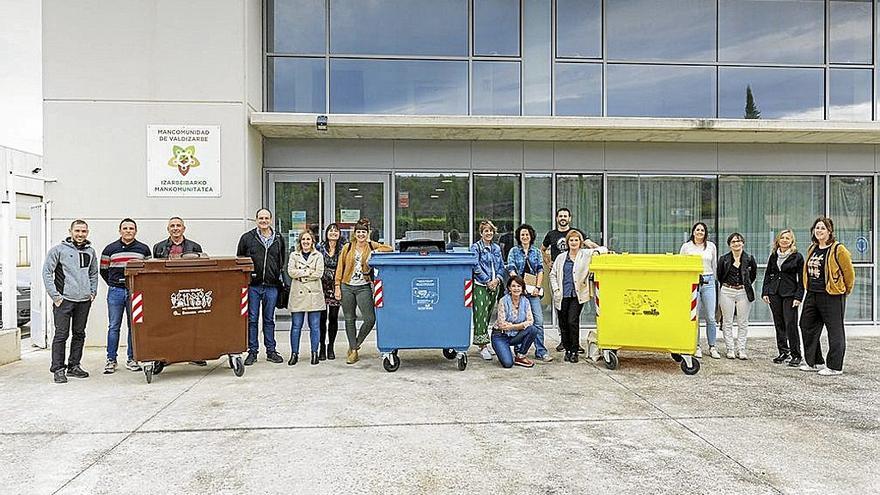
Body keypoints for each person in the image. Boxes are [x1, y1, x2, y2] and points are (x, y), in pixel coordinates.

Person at [43, 219, 99, 383]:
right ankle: (58, 369)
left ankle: (74, 366)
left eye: (83, 231)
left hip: (84, 301)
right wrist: (56, 296)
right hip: (64, 300)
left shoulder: (90, 251)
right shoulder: (58, 250)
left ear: (87, 233)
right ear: (70, 231)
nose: (80, 234)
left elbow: (93, 273)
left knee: (79, 334)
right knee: (61, 335)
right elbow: (47, 273)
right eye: (77, 231)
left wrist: (92, 292)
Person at [799, 217, 855, 376]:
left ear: (830, 231)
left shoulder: (838, 249)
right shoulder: (812, 248)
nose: (819, 231)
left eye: (823, 228)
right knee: (806, 325)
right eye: (817, 228)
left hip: (832, 295)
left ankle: (835, 367)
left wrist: (844, 290)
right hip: (812, 293)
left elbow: (849, 273)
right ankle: (815, 361)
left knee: (835, 330)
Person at [334, 220, 393, 365]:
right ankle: (353, 351)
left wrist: (375, 250)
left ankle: (355, 345)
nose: (361, 234)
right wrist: (337, 286)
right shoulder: (347, 247)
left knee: (369, 318)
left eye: (364, 232)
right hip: (346, 286)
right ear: (355, 234)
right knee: (349, 318)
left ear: (367, 234)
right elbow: (340, 268)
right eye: (359, 232)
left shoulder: (371, 245)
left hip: (363, 286)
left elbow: (389, 248)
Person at [153, 216, 207, 366]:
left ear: (184, 228)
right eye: (172, 226)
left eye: (178, 225)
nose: (175, 228)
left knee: (191, 323)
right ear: (168, 229)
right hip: (166, 291)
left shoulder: (195, 247)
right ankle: (167, 356)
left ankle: (194, 355)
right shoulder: (159, 247)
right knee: (168, 325)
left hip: (189, 291)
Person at [542, 207, 597, 353]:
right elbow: (543, 249)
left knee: (572, 319)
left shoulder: (576, 233)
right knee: (563, 317)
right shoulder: (551, 235)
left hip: (576, 282)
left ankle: (574, 346)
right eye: (560, 216)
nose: (563, 218)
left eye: (565, 216)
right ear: (556, 218)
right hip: (560, 277)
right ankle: (564, 343)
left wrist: (603, 250)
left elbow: (590, 245)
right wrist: (548, 262)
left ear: (569, 218)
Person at [100, 218, 151, 374]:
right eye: (125, 228)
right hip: (115, 292)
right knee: (114, 326)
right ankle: (111, 360)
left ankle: (132, 358)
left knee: (134, 326)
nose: (128, 231)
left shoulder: (144, 249)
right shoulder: (110, 249)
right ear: (120, 230)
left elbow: (148, 271)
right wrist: (114, 283)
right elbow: (103, 270)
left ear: (136, 231)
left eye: (131, 228)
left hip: (136, 293)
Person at [237, 208, 287, 366]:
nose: (263, 221)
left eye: (266, 218)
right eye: (260, 218)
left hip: (272, 286)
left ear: (271, 220)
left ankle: (271, 351)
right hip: (253, 286)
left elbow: (282, 261)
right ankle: (252, 352)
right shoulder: (247, 238)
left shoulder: (279, 238)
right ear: (256, 220)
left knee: (269, 320)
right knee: (252, 320)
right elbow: (240, 260)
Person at [550, 230, 602, 363]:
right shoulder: (561, 257)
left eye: (576, 240)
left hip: (577, 295)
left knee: (572, 321)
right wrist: (556, 290)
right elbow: (553, 274)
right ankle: (567, 350)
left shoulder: (585, 255)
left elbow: (604, 249)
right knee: (563, 324)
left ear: (580, 242)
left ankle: (574, 351)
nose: (573, 243)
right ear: (567, 242)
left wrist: (593, 247)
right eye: (571, 240)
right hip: (562, 295)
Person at [507, 223, 552, 362]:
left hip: (533, 292)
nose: (525, 237)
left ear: (531, 236)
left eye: (527, 234)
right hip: (517, 292)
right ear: (519, 237)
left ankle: (541, 351)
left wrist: (537, 288)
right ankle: (520, 350)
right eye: (522, 235)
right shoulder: (514, 251)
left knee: (537, 321)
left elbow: (540, 270)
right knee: (520, 321)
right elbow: (511, 268)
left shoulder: (536, 252)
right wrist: (519, 286)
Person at [762, 229, 805, 367]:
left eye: (788, 238)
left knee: (791, 324)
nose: (785, 240)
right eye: (782, 238)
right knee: (779, 323)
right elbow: (768, 274)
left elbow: (802, 279)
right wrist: (765, 292)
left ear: (792, 241)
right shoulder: (774, 255)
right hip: (774, 293)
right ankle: (783, 351)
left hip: (790, 294)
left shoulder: (797, 257)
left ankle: (796, 355)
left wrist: (799, 296)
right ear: (778, 240)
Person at [679, 222, 719, 359]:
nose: (700, 232)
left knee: (711, 317)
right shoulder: (686, 247)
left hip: (708, 282)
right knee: (694, 317)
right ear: (693, 232)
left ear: (705, 232)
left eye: (702, 230)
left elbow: (714, 266)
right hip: (692, 283)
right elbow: (681, 265)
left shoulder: (711, 246)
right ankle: (696, 346)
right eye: (697, 229)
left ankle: (712, 346)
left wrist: (714, 281)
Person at [716, 233, 758, 360]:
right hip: (727, 291)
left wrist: (744, 285)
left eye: (739, 241)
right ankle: (730, 349)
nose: (736, 244)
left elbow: (752, 276)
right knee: (727, 321)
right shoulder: (724, 259)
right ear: (729, 245)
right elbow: (720, 275)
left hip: (743, 292)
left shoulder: (749, 258)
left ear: (743, 243)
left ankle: (741, 349)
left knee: (743, 322)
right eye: (733, 242)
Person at [470, 219, 506, 361]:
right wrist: (487, 280)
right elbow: (475, 265)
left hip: (494, 285)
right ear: (481, 233)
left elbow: (501, 266)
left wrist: (497, 280)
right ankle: (482, 346)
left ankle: (485, 341)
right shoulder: (476, 247)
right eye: (486, 231)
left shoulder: (496, 248)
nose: (489, 233)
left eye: (491, 231)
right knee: (480, 315)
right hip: (481, 285)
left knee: (489, 313)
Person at [287, 230, 325, 366]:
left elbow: (319, 273)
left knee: (314, 326)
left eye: (308, 239)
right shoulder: (294, 255)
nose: (306, 242)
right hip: (298, 294)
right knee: (296, 326)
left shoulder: (318, 255)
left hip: (314, 294)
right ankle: (294, 354)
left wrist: (301, 274)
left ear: (312, 241)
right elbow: (291, 272)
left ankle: (314, 353)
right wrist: (309, 272)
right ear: (300, 241)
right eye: (303, 239)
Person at [491, 276, 537, 368]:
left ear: (522, 288)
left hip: (515, 335)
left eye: (519, 286)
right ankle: (505, 351)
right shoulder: (503, 301)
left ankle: (520, 356)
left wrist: (511, 326)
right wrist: (521, 325)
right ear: (509, 288)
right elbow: (502, 325)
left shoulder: (526, 301)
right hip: (500, 336)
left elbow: (530, 321)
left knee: (533, 330)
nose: (516, 289)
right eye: (513, 286)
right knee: (508, 364)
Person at [318, 223, 343, 360]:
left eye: (336, 231)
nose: (333, 233)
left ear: (339, 234)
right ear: (326, 233)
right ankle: (321, 346)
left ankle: (331, 346)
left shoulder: (343, 249)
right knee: (322, 318)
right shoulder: (319, 247)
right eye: (331, 230)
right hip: (320, 286)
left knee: (333, 318)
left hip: (336, 287)